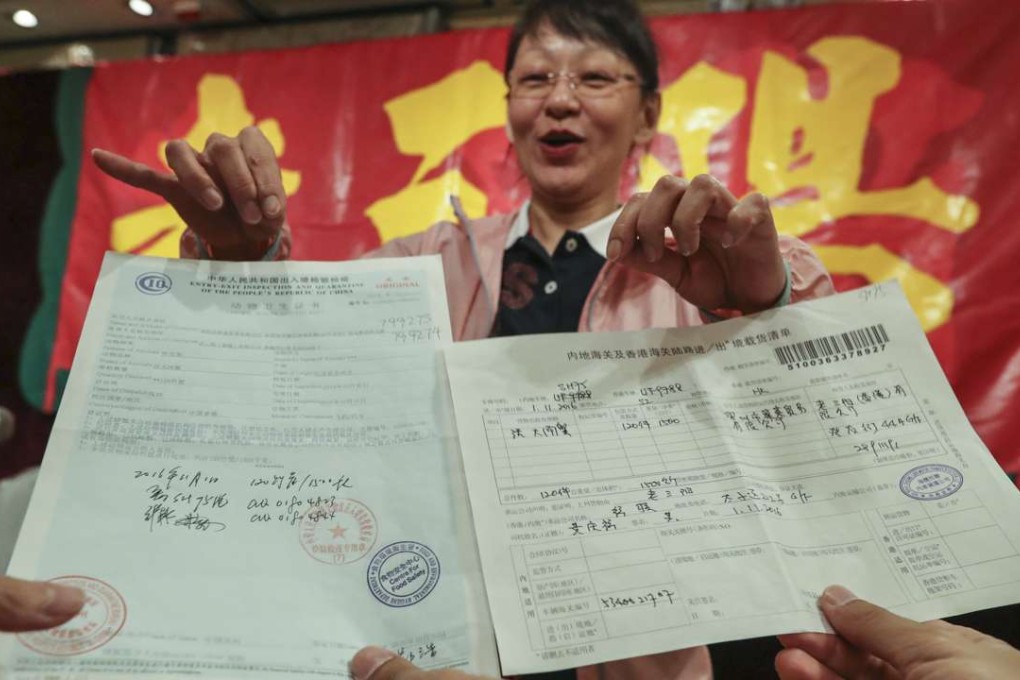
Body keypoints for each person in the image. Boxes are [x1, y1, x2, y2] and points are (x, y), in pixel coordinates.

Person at [85, 1, 833, 679]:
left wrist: (758, 302)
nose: (561, 100)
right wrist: (241, 260)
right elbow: (299, 355)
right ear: (509, 106)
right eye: (535, 79)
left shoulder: (705, 262)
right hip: (443, 642)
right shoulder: (422, 264)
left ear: (647, 115)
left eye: (596, 77)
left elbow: (814, 419)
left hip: (647, 655)